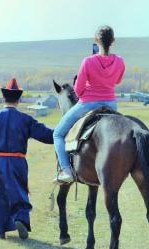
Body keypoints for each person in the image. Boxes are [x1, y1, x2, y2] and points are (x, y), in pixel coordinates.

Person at [0, 78, 53, 240]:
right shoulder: (25, 119)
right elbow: (46, 135)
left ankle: (0, 230)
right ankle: (20, 219)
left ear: (4, 98)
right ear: (19, 99)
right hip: (18, 162)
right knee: (20, 192)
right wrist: (64, 131)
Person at [53, 25, 125, 184]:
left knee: (57, 134)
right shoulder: (120, 61)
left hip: (88, 103)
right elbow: (118, 80)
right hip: (111, 105)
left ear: (96, 40)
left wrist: (88, 89)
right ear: (112, 41)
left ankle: (66, 171)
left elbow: (78, 90)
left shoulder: (88, 61)